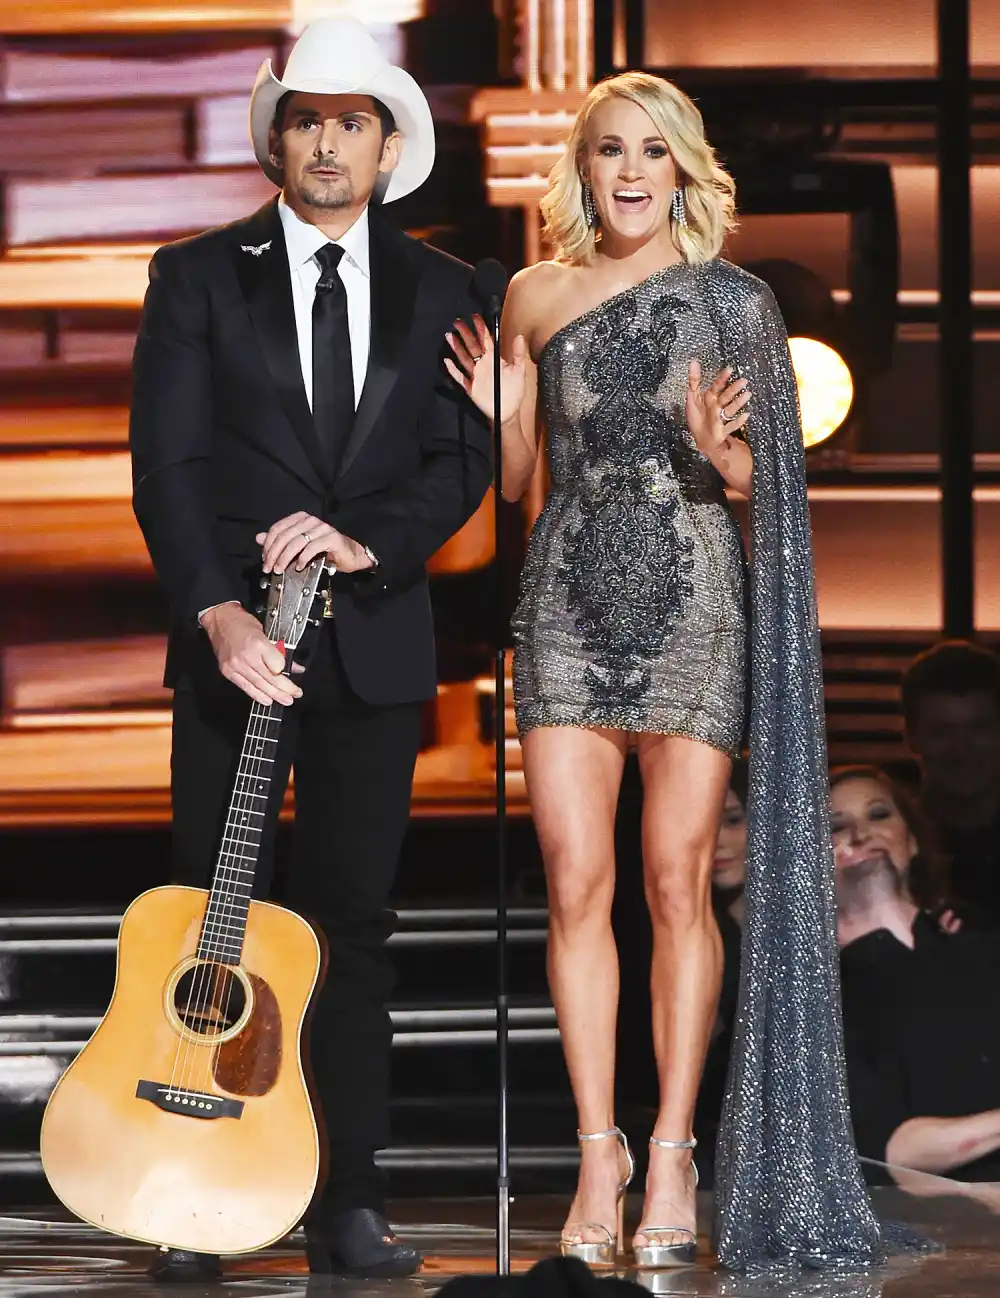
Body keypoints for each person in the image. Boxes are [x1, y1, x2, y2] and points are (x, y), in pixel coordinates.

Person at [445, 71, 883, 1271]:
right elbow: (518, 483)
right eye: (606, 150)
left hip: (695, 606)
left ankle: (676, 1145)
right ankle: (601, 1150)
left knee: (675, 881)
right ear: (580, 168)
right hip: (565, 606)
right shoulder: (532, 292)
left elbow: (778, 494)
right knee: (576, 882)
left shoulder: (736, 304)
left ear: (683, 166)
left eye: (650, 150)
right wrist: (506, 408)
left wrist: (722, 455)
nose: (629, 170)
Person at [129, 18, 490, 1280]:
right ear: (274, 135)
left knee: (350, 925)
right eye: (306, 117)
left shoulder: (450, 288)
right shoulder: (193, 275)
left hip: (374, 645)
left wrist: (353, 540)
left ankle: (346, 1196)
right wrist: (214, 614)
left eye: (353, 120)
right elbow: (167, 465)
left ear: (389, 145)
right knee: (204, 920)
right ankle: (186, 1188)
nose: (327, 140)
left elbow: (463, 461)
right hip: (231, 648)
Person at [831, 767, 1000, 1184]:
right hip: (933, 1230)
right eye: (836, 825)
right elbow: (888, 1151)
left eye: (879, 814)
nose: (860, 832)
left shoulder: (981, 947)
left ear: (913, 840)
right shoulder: (819, 992)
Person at [902, 639, 1000, 925]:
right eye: (941, 732)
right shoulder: (891, 849)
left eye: (979, 728)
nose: (962, 750)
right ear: (912, 738)